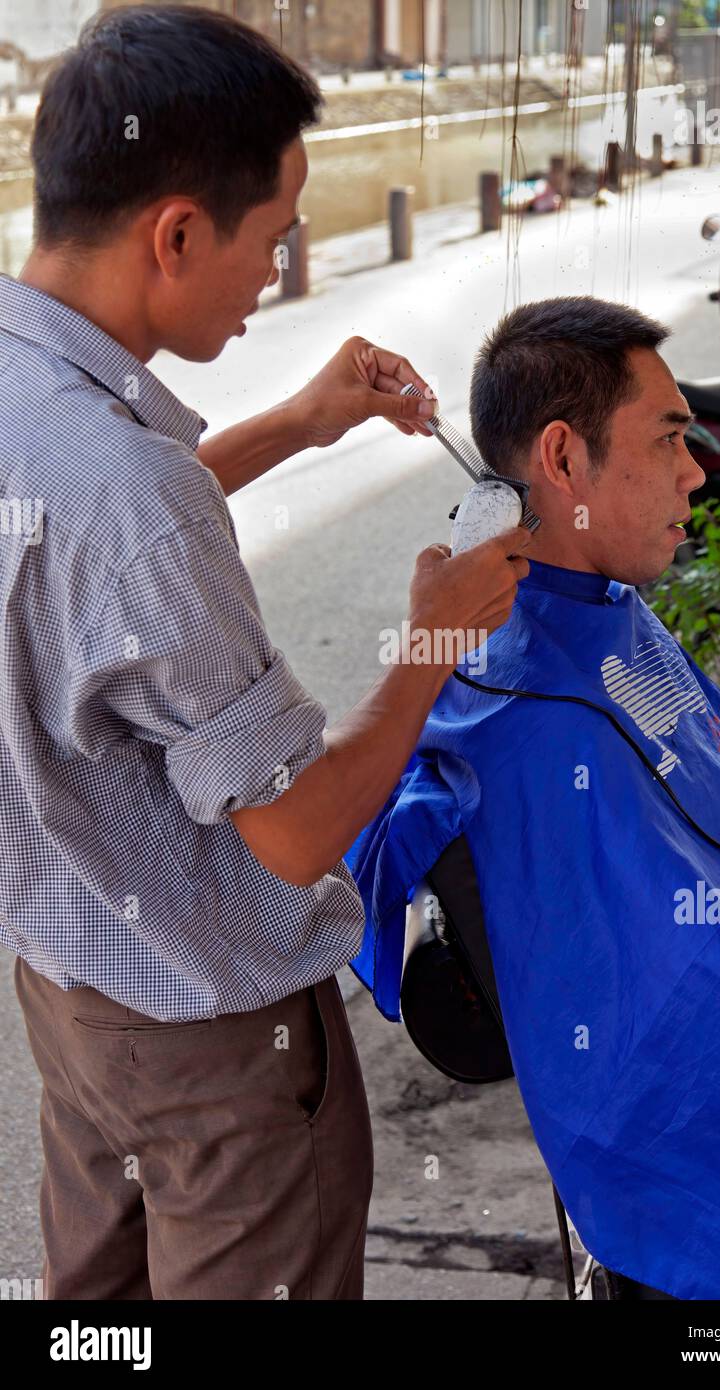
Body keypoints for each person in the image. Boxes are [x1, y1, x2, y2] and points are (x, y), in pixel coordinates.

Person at [0, 5, 531, 1301]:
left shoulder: (30, 391)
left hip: (75, 1006)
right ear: (176, 232)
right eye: (274, 241)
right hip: (213, 1053)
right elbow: (293, 832)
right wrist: (432, 640)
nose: (281, 273)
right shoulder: (134, 498)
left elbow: (85, 561)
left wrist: (298, 422)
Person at [348, 296, 720, 1300]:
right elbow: (678, 995)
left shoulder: (599, 613)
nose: (696, 470)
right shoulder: (524, 701)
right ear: (561, 458)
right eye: (668, 439)